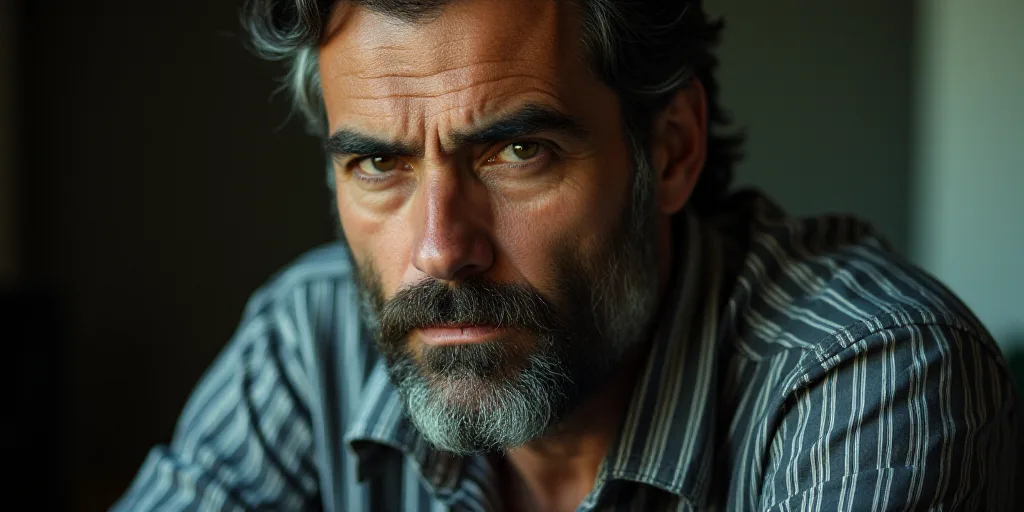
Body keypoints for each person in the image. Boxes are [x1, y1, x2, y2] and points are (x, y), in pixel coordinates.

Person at [113, 0, 1019, 510]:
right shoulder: (306, 341)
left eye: (517, 153)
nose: (439, 252)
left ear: (670, 149)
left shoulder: (867, 378)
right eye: (379, 164)